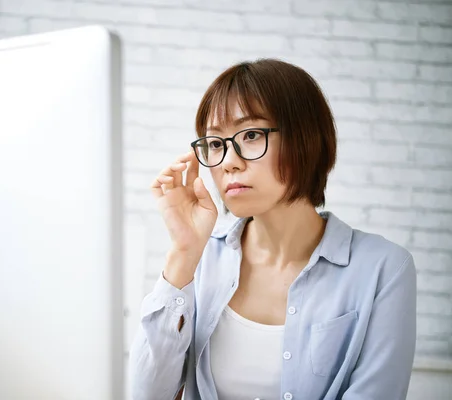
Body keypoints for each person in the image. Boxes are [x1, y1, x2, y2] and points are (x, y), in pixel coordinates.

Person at [128, 59, 417, 400]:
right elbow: (148, 394)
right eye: (216, 144)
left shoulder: (384, 269)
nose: (227, 162)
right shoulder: (200, 257)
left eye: (250, 135)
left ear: (305, 139)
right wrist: (184, 251)